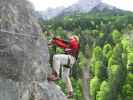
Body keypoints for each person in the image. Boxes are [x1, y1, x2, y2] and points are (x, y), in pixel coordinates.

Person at [47, 34, 80, 98]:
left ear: (74, 39)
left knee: (56, 57)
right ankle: (70, 92)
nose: (70, 38)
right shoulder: (70, 45)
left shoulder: (74, 43)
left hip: (70, 58)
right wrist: (55, 40)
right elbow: (62, 43)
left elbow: (63, 43)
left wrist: (55, 40)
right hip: (70, 61)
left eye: (72, 37)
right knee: (65, 76)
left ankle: (55, 75)